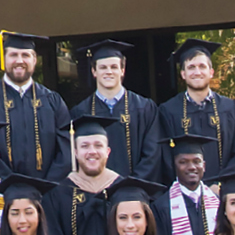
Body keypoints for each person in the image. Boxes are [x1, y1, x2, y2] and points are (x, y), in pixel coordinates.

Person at [0, 31, 73, 181]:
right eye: (13, 55)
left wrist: (46, 186)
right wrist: (11, 185)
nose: (19, 60)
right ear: (3, 58)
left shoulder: (52, 101)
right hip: (1, 191)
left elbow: (66, 151)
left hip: (47, 193)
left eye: (25, 55)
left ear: (35, 59)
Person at [156, 39, 235, 185]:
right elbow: (165, 157)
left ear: (211, 72)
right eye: (191, 67)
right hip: (184, 193)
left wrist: (222, 186)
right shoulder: (168, 111)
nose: (197, 72)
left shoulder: (231, 108)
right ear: (183, 74)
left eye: (202, 66)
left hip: (223, 193)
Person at [68, 40, 163, 182]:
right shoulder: (80, 112)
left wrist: (131, 186)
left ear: (122, 70)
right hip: (95, 193)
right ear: (94, 71)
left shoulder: (145, 108)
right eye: (103, 67)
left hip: (134, 192)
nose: (109, 72)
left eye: (114, 67)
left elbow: (152, 154)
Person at [44, 114, 121, 235]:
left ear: (108, 151)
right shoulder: (57, 195)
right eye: (85, 146)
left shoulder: (123, 190)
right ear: (76, 152)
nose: (92, 151)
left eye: (98, 145)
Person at [150, 134, 220, 235]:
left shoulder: (219, 203)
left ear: (204, 166)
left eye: (197, 161)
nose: (191, 167)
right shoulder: (161, 207)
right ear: (174, 166)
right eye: (183, 162)